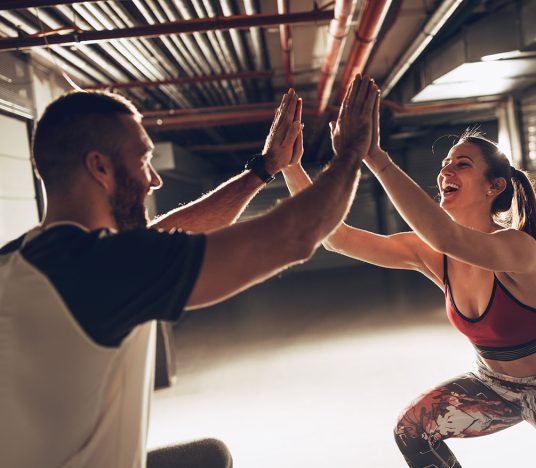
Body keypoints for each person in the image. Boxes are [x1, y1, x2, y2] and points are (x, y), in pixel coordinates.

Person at [0, 75, 380, 468]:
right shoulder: (106, 268)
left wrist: (264, 168)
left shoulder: (28, 258)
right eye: (145, 160)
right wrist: (351, 150)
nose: (154, 178)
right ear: (99, 167)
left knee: (207, 458)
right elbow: (294, 235)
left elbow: (172, 231)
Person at [282, 95, 536, 466]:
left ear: (494, 186)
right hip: (495, 387)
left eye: (461, 165)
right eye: (444, 164)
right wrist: (292, 167)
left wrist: (375, 155)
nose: (445, 172)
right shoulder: (433, 253)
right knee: (412, 430)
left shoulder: (517, 247)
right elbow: (336, 238)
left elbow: (447, 237)